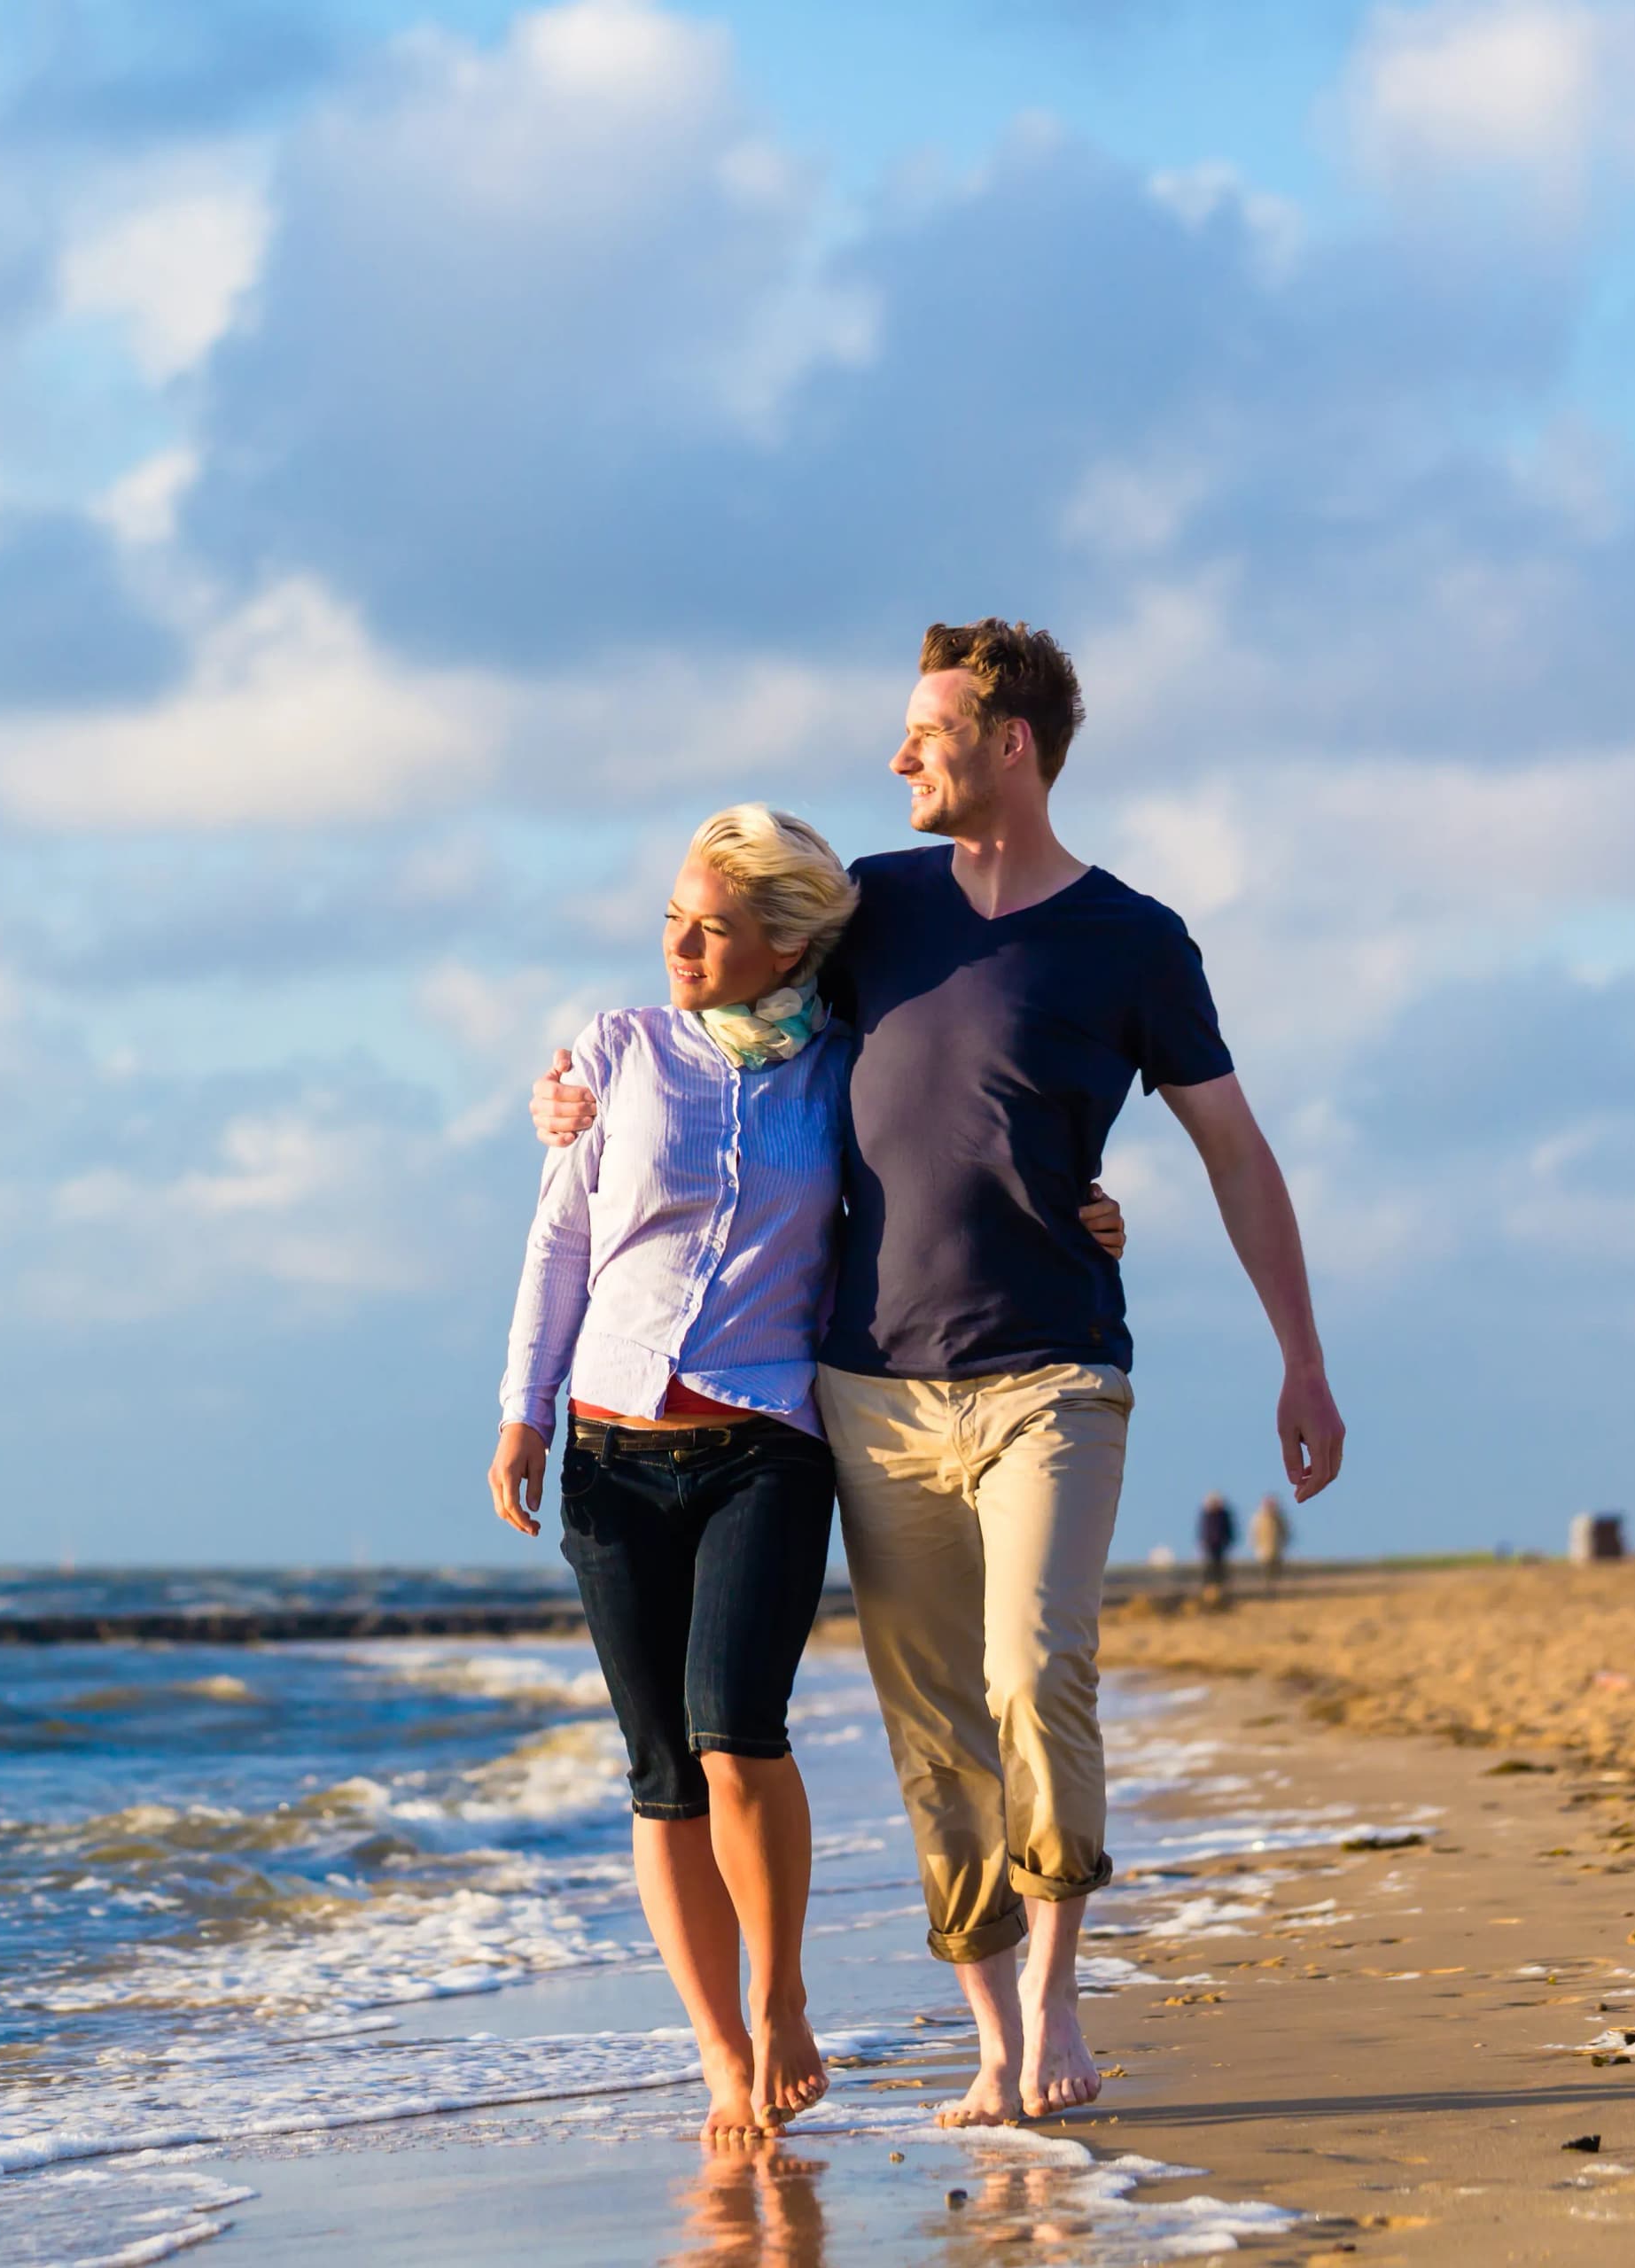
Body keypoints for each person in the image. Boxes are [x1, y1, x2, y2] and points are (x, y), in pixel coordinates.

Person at [534, 618, 1343, 2128]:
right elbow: (722, 1013)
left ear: (1009, 743)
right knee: (932, 1727)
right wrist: (574, 1090)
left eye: (927, 730)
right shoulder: (877, 912)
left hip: (1054, 1371)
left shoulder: (1136, 941)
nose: (899, 756)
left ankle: (1057, 2000)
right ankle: (988, 2035)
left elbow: (1234, 1149)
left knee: (1036, 1671)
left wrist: (1301, 1354)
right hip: (870, 1385)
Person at [490, 804, 1128, 2142]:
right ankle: (721, 2053)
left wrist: (1078, 1208)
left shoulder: (842, 1068)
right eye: (673, 916)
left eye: (712, 927)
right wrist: (524, 1412)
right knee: (660, 1767)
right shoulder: (619, 1052)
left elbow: (940, 1174)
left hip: (768, 1439)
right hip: (610, 1443)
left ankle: (780, 1998)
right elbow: (559, 1244)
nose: (680, 943)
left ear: (786, 945)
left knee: (739, 1736)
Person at [1195, 1493, 1235, 1599]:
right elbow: (1203, 1530)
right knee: (1209, 1568)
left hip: (1220, 1545)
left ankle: (1221, 1588)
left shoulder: (1223, 1514)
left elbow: (1228, 1529)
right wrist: (1203, 1542)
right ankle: (1208, 1590)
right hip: (1209, 1545)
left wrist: (1228, 1540)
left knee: (1220, 1567)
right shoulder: (1207, 1514)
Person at [1251, 1493, 1291, 1595]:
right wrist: (1256, 1546)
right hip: (1263, 1550)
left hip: (1277, 1548)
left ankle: (1275, 1588)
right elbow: (1254, 1533)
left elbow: (1285, 1532)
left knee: (1276, 1571)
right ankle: (1266, 1589)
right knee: (1265, 1571)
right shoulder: (1258, 1518)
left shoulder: (1280, 1518)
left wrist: (1284, 1543)